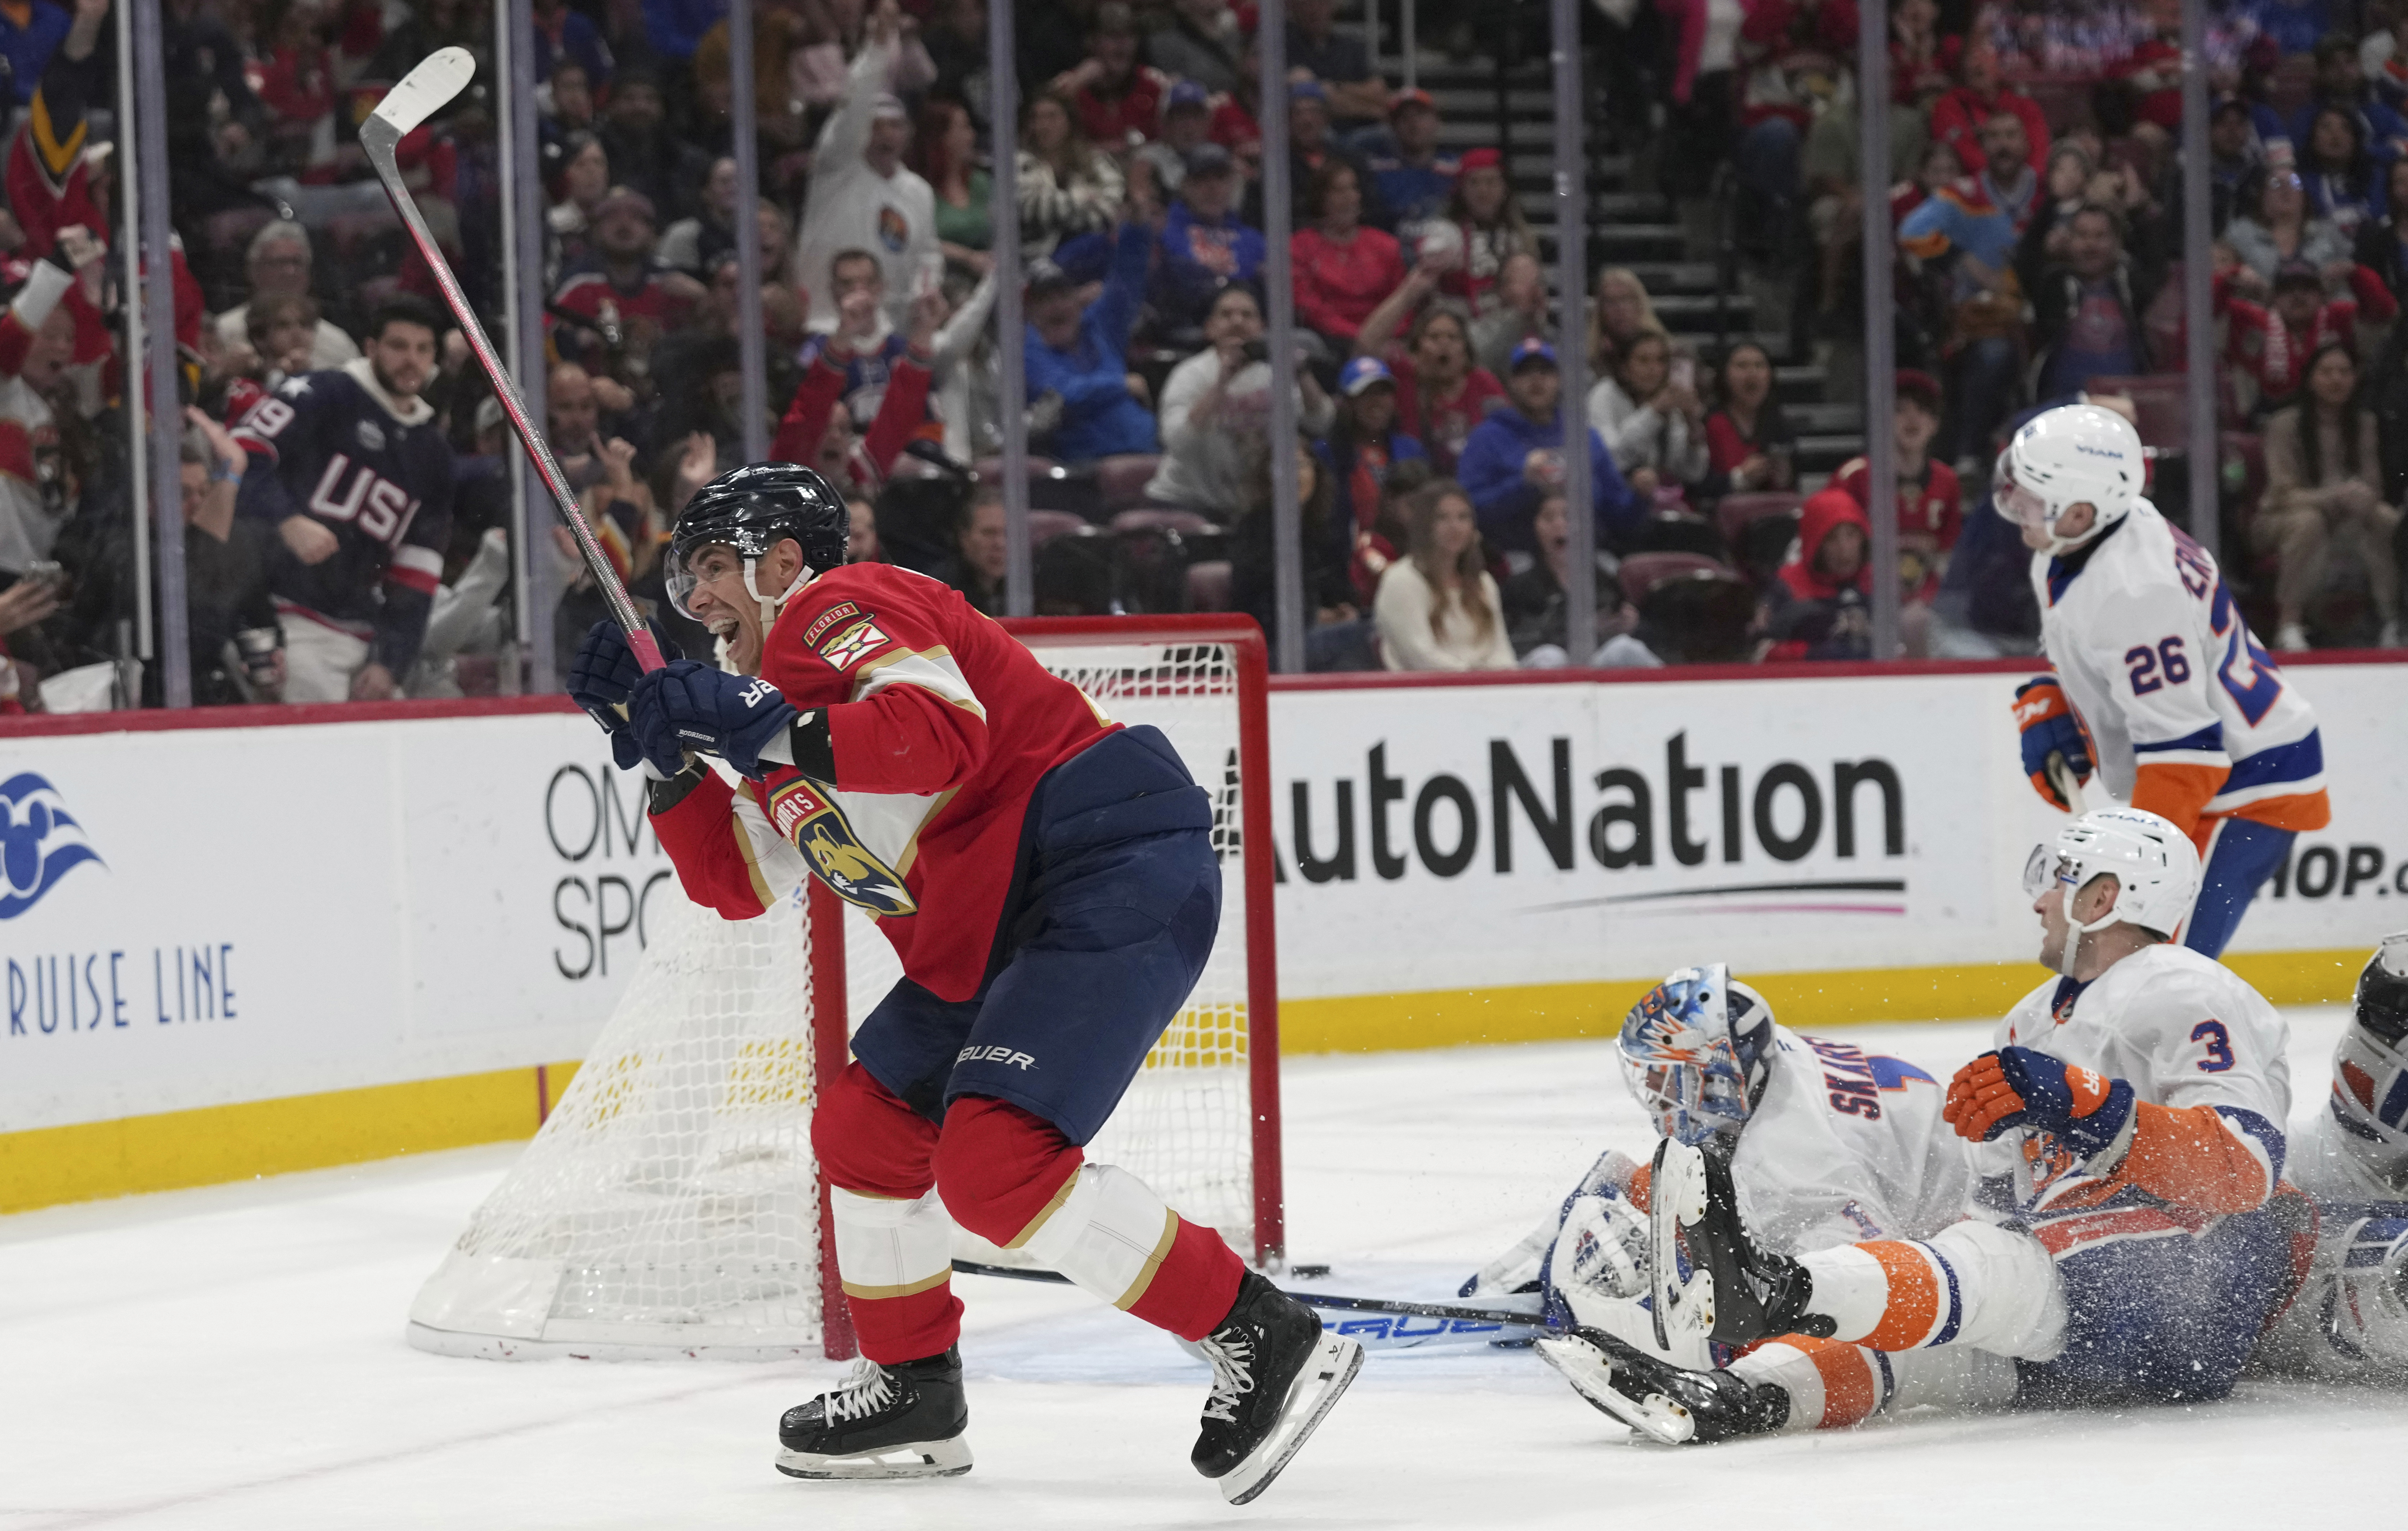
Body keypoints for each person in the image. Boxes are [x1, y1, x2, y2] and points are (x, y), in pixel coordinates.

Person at [567, 464, 1362, 1498]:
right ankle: (912, 1385)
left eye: (716, 567)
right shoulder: (776, 721)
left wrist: (748, 717)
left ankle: (1259, 1328)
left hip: (1099, 862)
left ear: (783, 564)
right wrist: (662, 751)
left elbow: (939, 734)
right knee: (865, 1126)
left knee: (993, 1165)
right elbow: (734, 882)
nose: (699, 600)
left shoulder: (836, 607)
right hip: (988, 923)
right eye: (688, 579)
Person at [1565, 808, 2299, 1442]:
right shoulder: (2033, 1016)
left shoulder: (2181, 985)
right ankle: (1741, 1399)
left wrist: (2084, 1105)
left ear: (2105, 897)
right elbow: (1998, 1202)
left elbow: (2245, 1166)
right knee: (1901, 1342)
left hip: (2180, 1295)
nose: (2041, 898)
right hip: (2084, 1326)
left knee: (1978, 1269)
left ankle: (1779, 1286)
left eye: (2062, 879)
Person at [1479, 964, 1965, 1401]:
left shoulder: (1795, 1166)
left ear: (1717, 1077)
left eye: (1664, 1078)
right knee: (1638, 1180)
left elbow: (1851, 1293)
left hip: (1968, 1252)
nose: (1653, 1094)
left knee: (1756, 1327)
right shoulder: (1765, 1068)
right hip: (1920, 1186)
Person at [1999, 403, 2328, 957]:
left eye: (2032, 497)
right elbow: (2094, 648)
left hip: (2245, 786)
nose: (2015, 506)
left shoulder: (2135, 590)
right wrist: (2055, 693)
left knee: (2147, 971)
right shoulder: (2072, 544)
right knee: (2120, 969)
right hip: (2208, 769)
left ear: (2080, 511)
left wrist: (2126, 868)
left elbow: (2186, 756)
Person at [229, 296, 456, 703]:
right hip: (282, 615)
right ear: (371, 349)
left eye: (423, 350)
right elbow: (242, 453)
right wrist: (287, 520)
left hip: (361, 633)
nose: (412, 361)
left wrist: (390, 661)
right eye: (399, 346)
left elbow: (415, 573)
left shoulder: (432, 452)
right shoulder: (323, 394)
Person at [793, 6, 938, 333]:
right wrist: (877, 51)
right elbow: (853, 107)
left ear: (909, 133)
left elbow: (928, 256)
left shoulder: (918, 191)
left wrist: (923, 296)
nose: (886, 135)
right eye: (876, 126)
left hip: (890, 334)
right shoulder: (837, 168)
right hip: (826, 326)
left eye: (895, 126)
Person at [2259, 343, 2403, 648]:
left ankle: (2393, 621)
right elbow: (2282, 491)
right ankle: (2289, 624)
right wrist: (2332, 496)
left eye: (2344, 372)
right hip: (2283, 514)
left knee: (2387, 519)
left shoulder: (2365, 423)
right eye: (2326, 372)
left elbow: (2373, 484)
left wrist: (2363, 497)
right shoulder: (2284, 424)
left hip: (2346, 512)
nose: (2336, 380)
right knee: (2308, 522)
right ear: (2310, 379)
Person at [1148, 286, 1335, 520]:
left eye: (1247, 315)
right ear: (1210, 328)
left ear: (1261, 328)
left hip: (1249, 505)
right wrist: (1222, 382)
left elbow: (1322, 423)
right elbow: (1177, 443)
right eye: (1226, 315)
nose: (1237, 321)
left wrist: (1303, 373)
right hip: (1186, 503)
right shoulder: (1189, 374)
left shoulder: (1275, 377)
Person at [1353, 265, 1506, 476]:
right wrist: (1409, 293)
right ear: (1417, 348)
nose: (1444, 345)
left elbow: (1505, 435)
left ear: (1466, 350)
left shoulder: (1483, 382)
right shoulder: (1405, 375)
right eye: (1434, 338)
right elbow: (1366, 346)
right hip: (1415, 478)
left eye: (1453, 338)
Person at [1024, 225, 1158, 462]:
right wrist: (1120, 385)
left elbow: (1127, 280)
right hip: (1088, 468)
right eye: (1044, 300)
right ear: (1030, 312)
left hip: (1145, 450)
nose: (1056, 306)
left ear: (1077, 300)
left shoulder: (1098, 328)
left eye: (1063, 295)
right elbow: (1061, 393)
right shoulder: (1027, 349)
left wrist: (1136, 225)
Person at [1833, 368, 1961, 605]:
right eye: (1900, 410)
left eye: (1922, 411)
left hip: (1927, 600)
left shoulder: (1947, 480)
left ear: (1934, 424)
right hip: (1863, 596)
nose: (1912, 420)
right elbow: (1834, 550)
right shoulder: (1853, 476)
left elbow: (1948, 553)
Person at [2219, 257, 2393, 413]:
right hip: (2266, 418)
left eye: (2307, 289)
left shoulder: (2339, 316)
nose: (2298, 296)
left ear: (2322, 296)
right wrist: (2232, 275)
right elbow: (2201, 306)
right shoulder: (2251, 319)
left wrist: (2357, 273)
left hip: (2335, 415)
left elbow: (2384, 311)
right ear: (2273, 298)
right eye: (2288, 289)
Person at [1374, 478, 1515, 671]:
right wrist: (1471, 681)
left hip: (1484, 690)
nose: (1455, 527)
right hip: (1426, 693)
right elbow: (1419, 655)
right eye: (1442, 518)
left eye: (1463, 517)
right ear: (1425, 525)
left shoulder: (1484, 582)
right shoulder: (1401, 580)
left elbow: (1501, 650)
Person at [211, 220, 362, 370]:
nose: (290, 272)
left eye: (297, 263)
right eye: (280, 262)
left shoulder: (339, 343)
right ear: (253, 271)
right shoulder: (223, 332)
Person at [1151, 144, 1265, 341]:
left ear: (1232, 185)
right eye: (1201, 180)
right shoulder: (1163, 229)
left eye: (1220, 179)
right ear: (1185, 186)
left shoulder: (1253, 238)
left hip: (1246, 329)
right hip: (1187, 329)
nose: (1212, 189)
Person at [1588, 331, 1708, 510]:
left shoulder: (1670, 401)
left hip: (1660, 503)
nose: (1654, 369)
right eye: (1644, 361)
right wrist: (1654, 411)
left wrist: (1693, 427)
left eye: (1661, 361)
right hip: (1612, 501)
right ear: (1624, 368)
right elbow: (1611, 458)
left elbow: (1694, 473)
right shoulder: (1604, 395)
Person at [1291, 161, 1405, 348]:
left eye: (1353, 189)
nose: (1350, 198)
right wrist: (1361, 338)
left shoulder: (1386, 245)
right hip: (1329, 341)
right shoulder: (1299, 246)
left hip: (1386, 339)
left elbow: (1402, 302)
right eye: (1339, 191)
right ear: (1321, 199)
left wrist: (1388, 336)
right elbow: (1309, 307)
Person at [1499, 490, 1615, 664]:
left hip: (1597, 666)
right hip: (1538, 666)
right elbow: (1520, 641)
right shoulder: (1517, 587)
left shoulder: (1605, 580)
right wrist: (1593, 630)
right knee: (1551, 657)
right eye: (1549, 518)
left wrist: (1627, 626)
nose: (1560, 525)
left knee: (1625, 648)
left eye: (1569, 517)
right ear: (1535, 527)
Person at [1764, 487, 1873, 660]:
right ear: (1814, 543)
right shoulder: (1788, 585)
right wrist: (1815, 654)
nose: (1845, 550)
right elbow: (1766, 652)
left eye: (1851, 535)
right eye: (1832, 539)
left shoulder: (1881, 580)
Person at [1017, 89, 1126, 254]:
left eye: (1052, 117)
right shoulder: (1020, 163)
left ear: (1069, 121)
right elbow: (1033, 208)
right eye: (1036, 118)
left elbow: (1112, 209)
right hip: (1037, 255)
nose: (1043, 126)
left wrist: (1066, 209)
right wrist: (1084, 198)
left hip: (1091, 248)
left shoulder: (1095, 160)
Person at [1435, 148, 1535, 317]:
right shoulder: (1443, 232)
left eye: (1491, 182)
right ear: (1461, 190)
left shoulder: (1520, 236)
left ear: (1505, 189)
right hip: (1456, 321)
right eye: (1474, 183)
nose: (1483, 191)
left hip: (1506, 321)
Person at [2225, 166, 2353, 287]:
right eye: (2276, 184)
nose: (2286, 189)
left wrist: (2341, 269)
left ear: (2304, 197)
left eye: (2294, 183)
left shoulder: (2328, 232)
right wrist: (2236, 271)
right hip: (2255, 305)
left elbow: (2352, 266)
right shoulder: (2240, 233)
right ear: (2263, 197)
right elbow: (2220, 266)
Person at [1702, 341, 1797, 496]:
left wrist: (1783, 476)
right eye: (1742, 366)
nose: (1752, 373)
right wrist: (1740, 478)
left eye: (1759, 366)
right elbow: (1697, 486)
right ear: (1724, 375)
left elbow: (1792, 486)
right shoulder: (1709, 422)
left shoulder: (1780, 424)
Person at [1367, 89, 1457, 250]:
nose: (1413, 124)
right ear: (1393, 126)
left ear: (1437, 122)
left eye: (1421, 115)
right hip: (1391, 253)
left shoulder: (1455, 170)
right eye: (1405, 118)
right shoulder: (1375, 170)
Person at [914, 99, 992, 277]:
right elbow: (918, 243)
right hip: (937, 278)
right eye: (964, 128)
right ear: (941, 137)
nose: (972, 136)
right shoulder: (918, 189)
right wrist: (968, 257)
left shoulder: (980, 183)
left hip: (986, 278)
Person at [1471, 253, 1552, 380]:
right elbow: (1481, 362)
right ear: (1502, 290)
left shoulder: (1551, 336)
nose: (1533, 287)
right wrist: (1519, 318)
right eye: (1523, 279)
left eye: (1538, 280)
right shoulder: (1481, 333)